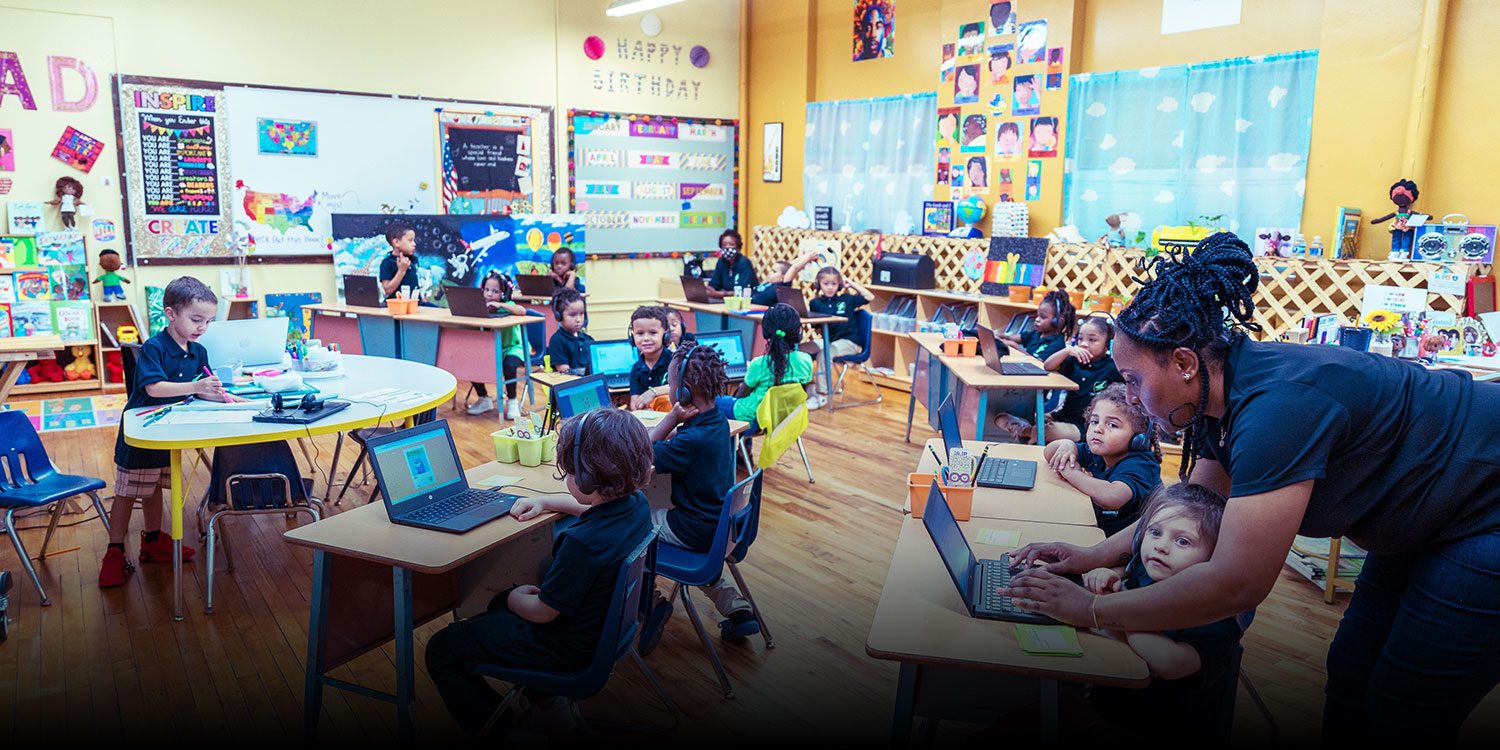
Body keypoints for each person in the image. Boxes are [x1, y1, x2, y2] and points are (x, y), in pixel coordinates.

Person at [1001, 232, 1500, 742]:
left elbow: (1237, 583)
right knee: (1351, 672)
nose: (1131, 396)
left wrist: (1092, 610)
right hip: (1425, 517)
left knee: (1404, 708)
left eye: (1132, 380)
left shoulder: (1276, 410)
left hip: (1486, 513)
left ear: (1184, 363)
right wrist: (1088, 557)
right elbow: (1186, 514)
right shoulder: (1222, 394)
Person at [424, 408, 653, 738]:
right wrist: (549, 502)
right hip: (607, 631)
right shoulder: (638, 505)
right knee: (506, 604)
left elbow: (543, 612)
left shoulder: (582, 543)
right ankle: (550, 708)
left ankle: (503, 733)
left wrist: (515, 598)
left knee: (445, 645)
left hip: (567, 648)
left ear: (586, 478)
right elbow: (595, 507)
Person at [101, 276, 241, 587]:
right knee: (127, 492)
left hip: (168, 429)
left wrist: (225, 396)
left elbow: (202, 389)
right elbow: (154, 387)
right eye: (195, 319)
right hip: (141, 431)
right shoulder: (154, 347)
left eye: (207, 321)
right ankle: (114, 551)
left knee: (153, 489)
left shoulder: (198, 351)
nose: (202, 327)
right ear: (170, 313)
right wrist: (195, 386)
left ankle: (152, 541)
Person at [1083, 483, 1246, 740]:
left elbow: (1170, 662)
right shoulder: (1149, 572)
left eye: (1182, 541)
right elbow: (1126, 575)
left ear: (1214, 556)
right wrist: (1109, 576)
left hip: (1159, 730)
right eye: (1155, 532)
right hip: (1111, 707)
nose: (1160, 546)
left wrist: (1122, 611)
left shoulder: (1217, 618)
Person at [637, 344, 760, 653]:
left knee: (632, 523)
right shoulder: (717, 422)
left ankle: (650, 603)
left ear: (686, 392)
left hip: (693, 528)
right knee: (658, 512)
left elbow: (641, 450)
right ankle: (735, 605)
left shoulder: (690, 440)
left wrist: (669, 420)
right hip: (720, 527)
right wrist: (680, 423)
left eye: (671, 381)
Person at [1041, 384, 1161, 536]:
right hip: (1098, 527)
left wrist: (1072, 472)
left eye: (1112, 425)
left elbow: (1112, 496)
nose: (1098, 429)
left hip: (1126, 546)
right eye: (1094, 421)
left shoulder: (1140, 464)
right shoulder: (1099, 451)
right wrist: (1067, 445)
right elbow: (1049, 452)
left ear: (1139, 437)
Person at [999, 315, 1122, 442]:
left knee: (1045, 431)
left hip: (1085, 426)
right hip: (1062, 415)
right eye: (1080, 339)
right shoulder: (1074, 361)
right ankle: (1031, 431)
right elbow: (1047, 366)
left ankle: (1025, 431)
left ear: (1108, 342)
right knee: (1000, 418)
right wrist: (1067, 351)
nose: (1084, 344)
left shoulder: (1112, 367)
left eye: (1092, 340)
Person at [717, 303, 813, 433]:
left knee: (711, 402)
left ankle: (732, 449)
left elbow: (740, 396)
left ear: (767, 331)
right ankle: (742, 451)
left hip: (754, 421)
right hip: (783, 419)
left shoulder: (759, 364)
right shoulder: (806, 360)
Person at [805, 266, 874, 409]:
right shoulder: (815, 303)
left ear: (840, 284)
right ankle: (808, 386)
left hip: (850, 342)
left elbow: (870, 297)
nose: (830, 287)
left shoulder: (847, 299)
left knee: (825, 354)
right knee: (801, 350)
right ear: (819, 284)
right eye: (826, 283)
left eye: (834, 284)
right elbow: (816, 326)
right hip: (829, 341)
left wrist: (852, 284)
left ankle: (822, 395)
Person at [467, 272, 527, 420]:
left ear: (503, 293)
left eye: (495, 291)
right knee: (469, 361)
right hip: (491, 350)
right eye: (487, 290)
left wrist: (500, 305)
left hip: (513, 348)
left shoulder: (509, 305)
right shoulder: (481, 307)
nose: (489, 294)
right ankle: (484, 399)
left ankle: (512, 401)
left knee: (509, 365)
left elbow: (522, 311)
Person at [1000, 289, 1075, 361]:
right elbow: (1011, 337)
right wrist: (999, 336)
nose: (1037, 319)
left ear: (1058, 321)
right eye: (1037, 315)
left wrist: (1014, 346)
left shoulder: (1057, 344)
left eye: (1043, 317)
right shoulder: (1037, 334)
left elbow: (1039, 364)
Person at [626, 305, 672, 411]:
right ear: (632, 337)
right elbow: (634, 401)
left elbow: (680, 387)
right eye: (640, 333)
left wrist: (652, 392)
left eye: (653, 333)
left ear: (666, 335)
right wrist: (643, 411)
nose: (646, 338)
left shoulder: (674, 360)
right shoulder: (636, 368)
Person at [545, 288, 592, 375]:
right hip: (571, 386)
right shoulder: (557, 341)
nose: (578, 319)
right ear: (559, 316)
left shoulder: (588, 339)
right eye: (572, 315)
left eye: (581, 314)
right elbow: (564, 372)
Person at [706, 229, 757, 300]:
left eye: (731, 244)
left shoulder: (744, 262)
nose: (727, 247)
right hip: (725, 300)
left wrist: (722, 294)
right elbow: (715, 284)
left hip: (745, 301)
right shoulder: (721, 262)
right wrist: (706, 289)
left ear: (738, 247)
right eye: (724, 245)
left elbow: (743, 290)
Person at [377, 222, 416, 298]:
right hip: (396, 305)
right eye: (410, 240)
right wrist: (402, 270)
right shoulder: (387, 263)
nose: (414, 244)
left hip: (415, 303)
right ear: (396, 242)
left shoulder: (414, 260)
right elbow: (387, 290)